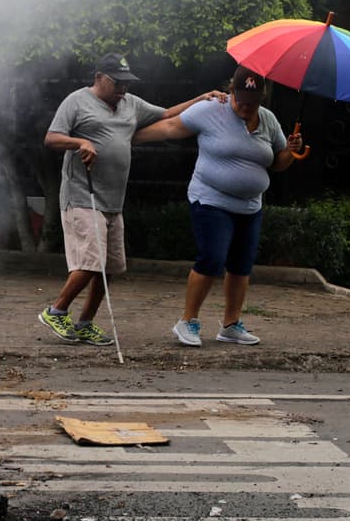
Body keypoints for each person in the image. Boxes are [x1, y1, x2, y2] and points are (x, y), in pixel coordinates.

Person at [38, 53, 221, 346]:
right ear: (100, 78)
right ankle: (56, 311)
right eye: (118, 82)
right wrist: (80, 142)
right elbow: (51, 138)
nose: (124, 88)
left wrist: (202, 98)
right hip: (82, 195)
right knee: (90, 262)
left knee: (110, 268)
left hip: (113, 200)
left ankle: (85, 323)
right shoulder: (76, 101)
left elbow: (165, 114)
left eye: (127, 82)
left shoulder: (130, 104)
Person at [132, 65, 303, 347]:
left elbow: (277, 163)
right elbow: (170, 127)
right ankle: (188, 321)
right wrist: (125, 137)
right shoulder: (211, 110)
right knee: (212, 259)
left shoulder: (269, 120)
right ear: (231, 91)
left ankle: (230, 325)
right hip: (211, 200)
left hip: (250, 207)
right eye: (241, 99)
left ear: (262, 97)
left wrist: (291, 151)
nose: (246, 106)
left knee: (241, 266)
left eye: (252, 101)